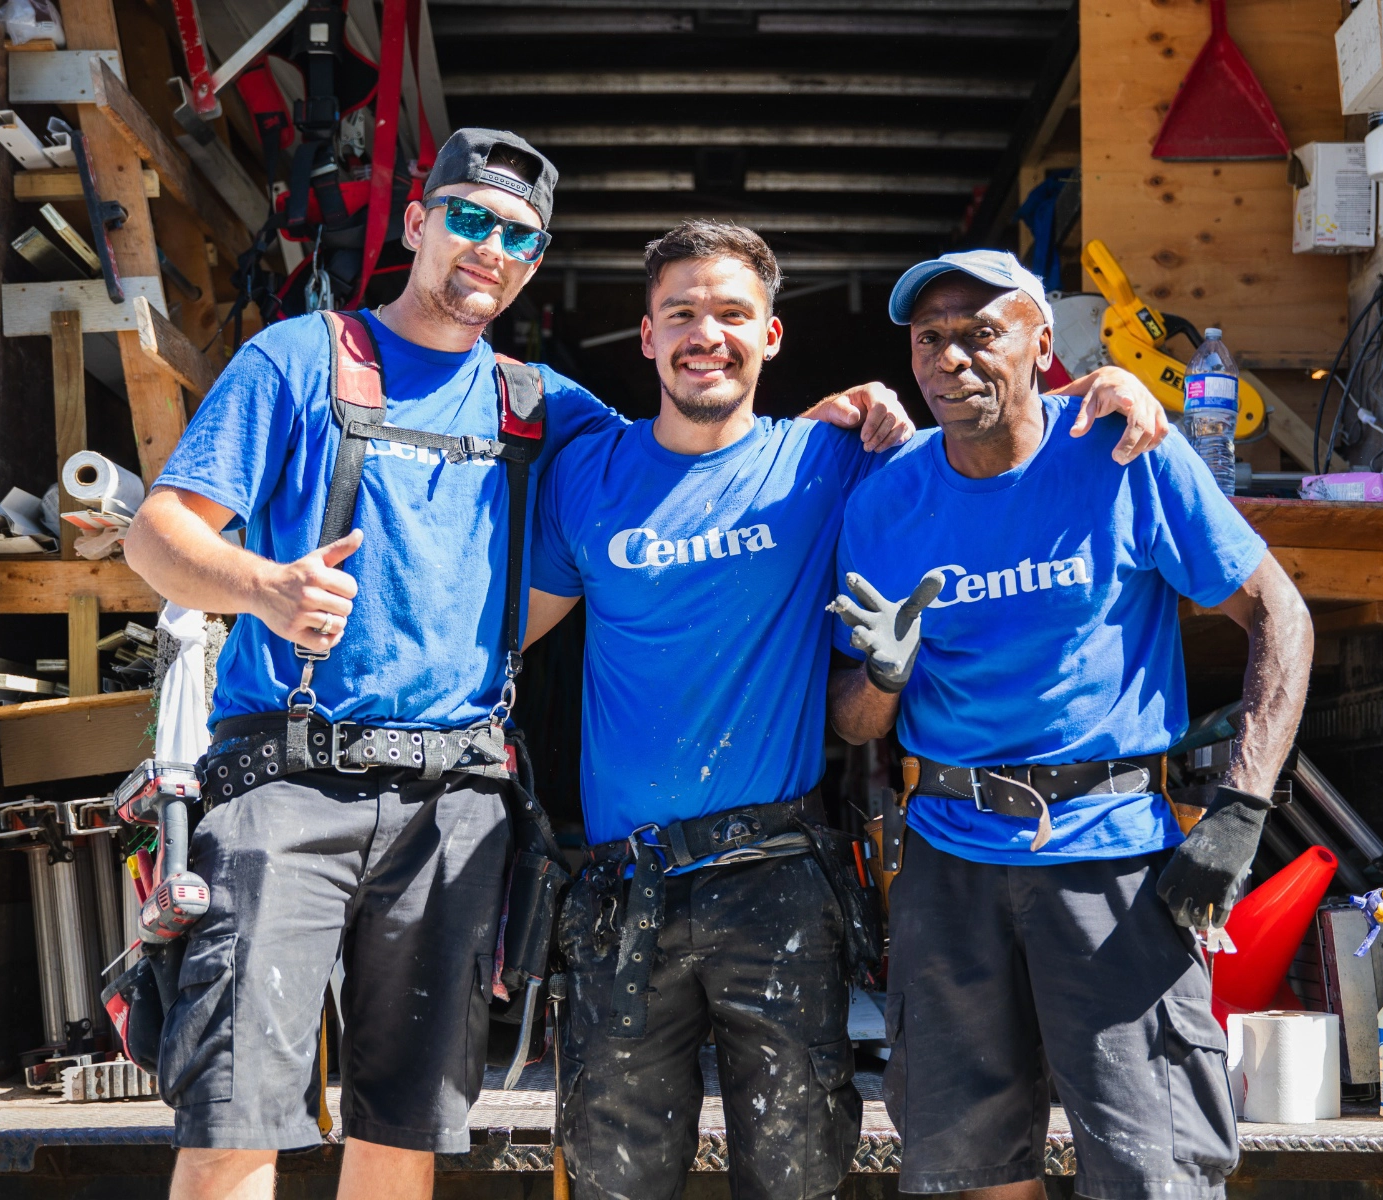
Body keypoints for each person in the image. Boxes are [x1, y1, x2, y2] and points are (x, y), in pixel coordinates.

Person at [124, 132, 906, 1200]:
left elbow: (680, 469)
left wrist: (836, 417)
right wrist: (264, 587)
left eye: (519, 236)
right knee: (235, 1116)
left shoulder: (551, 413)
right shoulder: (301, 359)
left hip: (455, 801)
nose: (489, 247)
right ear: (416, 224)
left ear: (535, 264)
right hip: (287, 782)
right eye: (469, 218)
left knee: (403, 1128)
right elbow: (154, 535)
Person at [523, 224, 1173, 1200]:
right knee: (616, 1184)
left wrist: (1100, 387)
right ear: (646, 335)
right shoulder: (587, 475)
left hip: (774, 881)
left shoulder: (834, 461)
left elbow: (990, 434)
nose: (709, 334)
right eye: (684, 314)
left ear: (772, 336)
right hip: (625, 891)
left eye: (733, 314)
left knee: (798, 1181)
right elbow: (505, 637)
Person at [827, 250, 1314, 1199]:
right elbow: (853, 724)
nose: (952, 356)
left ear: (1044, 344)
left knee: (1152, 1171)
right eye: (931, 338)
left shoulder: (1124, 452)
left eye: (982, 331)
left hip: (1112, 862)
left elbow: (1280, 614)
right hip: (949, 863)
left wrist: (1241, 805)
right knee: (966, 1167)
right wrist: (886, 675)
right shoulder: (885, 499)